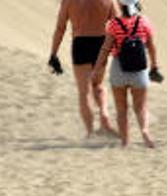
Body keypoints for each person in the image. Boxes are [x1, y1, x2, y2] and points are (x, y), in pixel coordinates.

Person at [91, 0, 160, 148]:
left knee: (121, 108)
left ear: (120, 6)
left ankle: (125, 141)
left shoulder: (114, 24)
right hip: (140, 70)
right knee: (140, 107)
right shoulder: (144, 22)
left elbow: (105, 48)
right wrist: (155, 66)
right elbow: (151, 46)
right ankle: (145, 132)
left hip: (119, 69)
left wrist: (97, 69)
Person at [49, 0, 117, 139]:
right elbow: (118, 25)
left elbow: (60, 28)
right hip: (101, 43)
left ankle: (90, 132)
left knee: (84, 91)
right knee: (98, 85)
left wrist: (54, 54)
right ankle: (104, 115)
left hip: (80, 43)